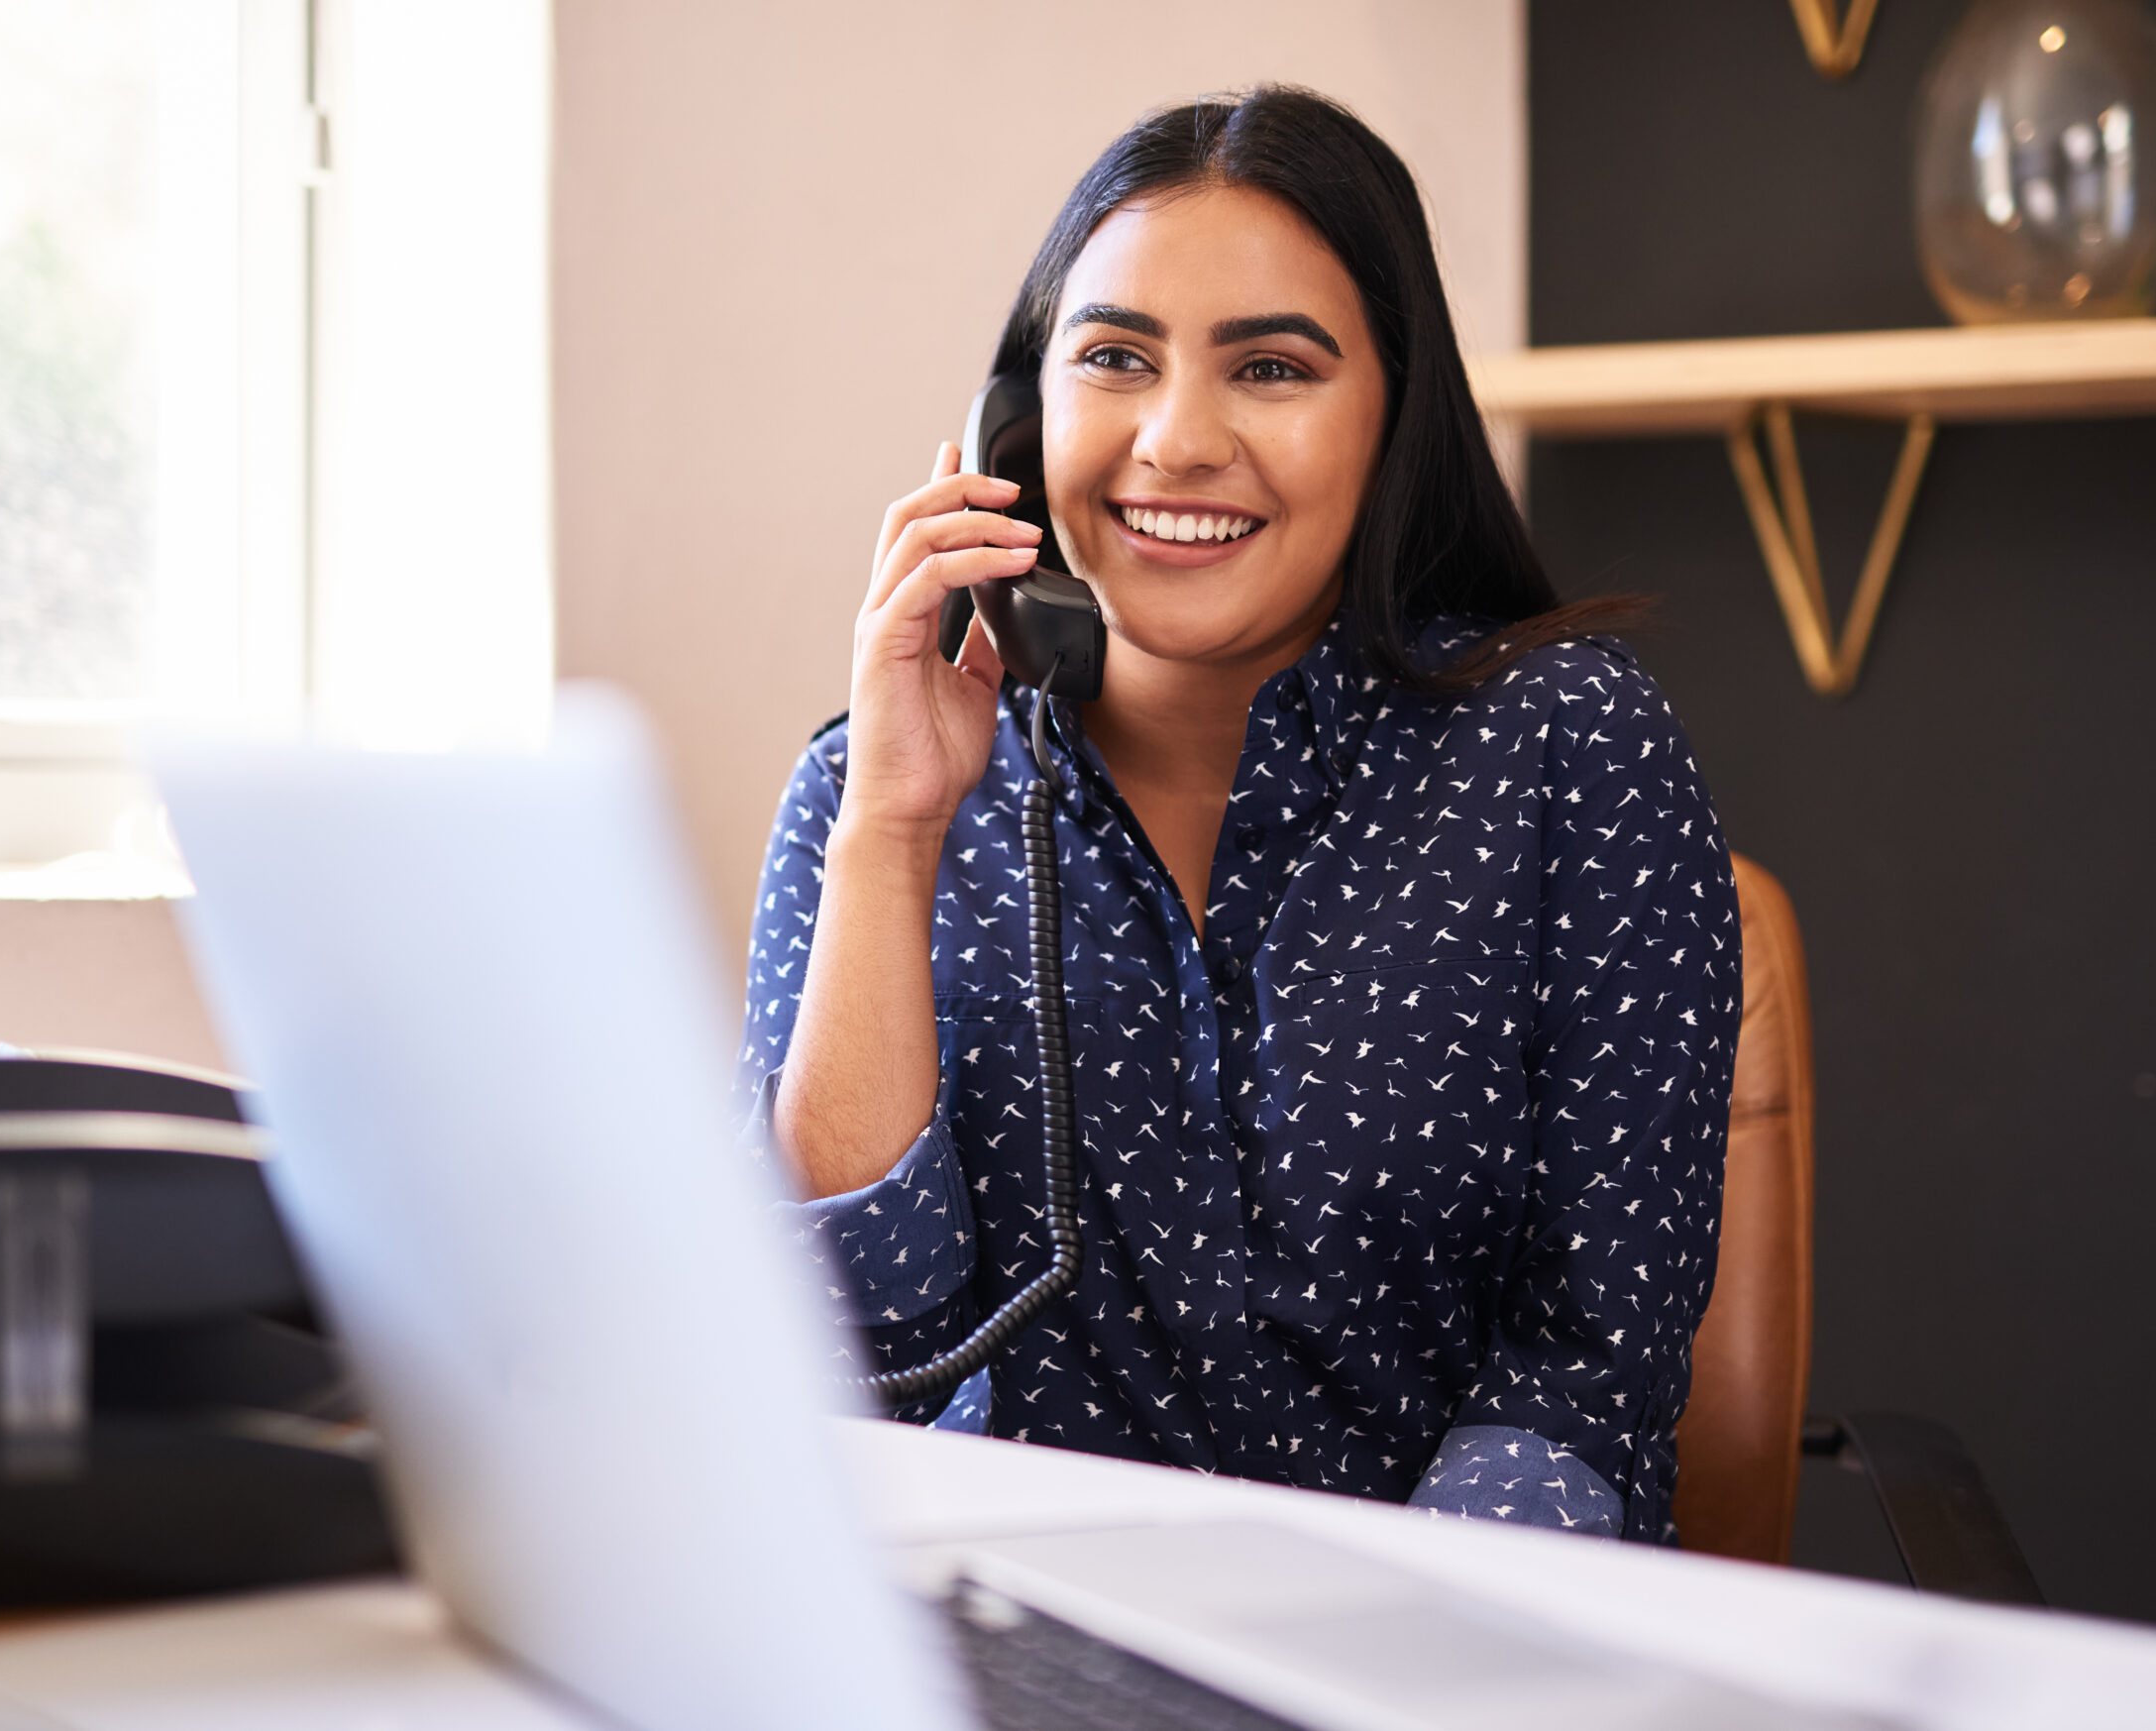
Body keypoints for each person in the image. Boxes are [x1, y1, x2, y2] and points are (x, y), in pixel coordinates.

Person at [736, 86, 1741, 1544]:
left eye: (1270, 369)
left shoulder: (1567, 748)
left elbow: (1590, 1374)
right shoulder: (868, 790)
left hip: (1442, 1654)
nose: (1176, 440)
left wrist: (1385, 1653)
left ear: (1394, 413)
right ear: (1012, 428)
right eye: (1114, 360)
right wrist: (894, 831)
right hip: (1013, 1638)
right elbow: (834, 1373)